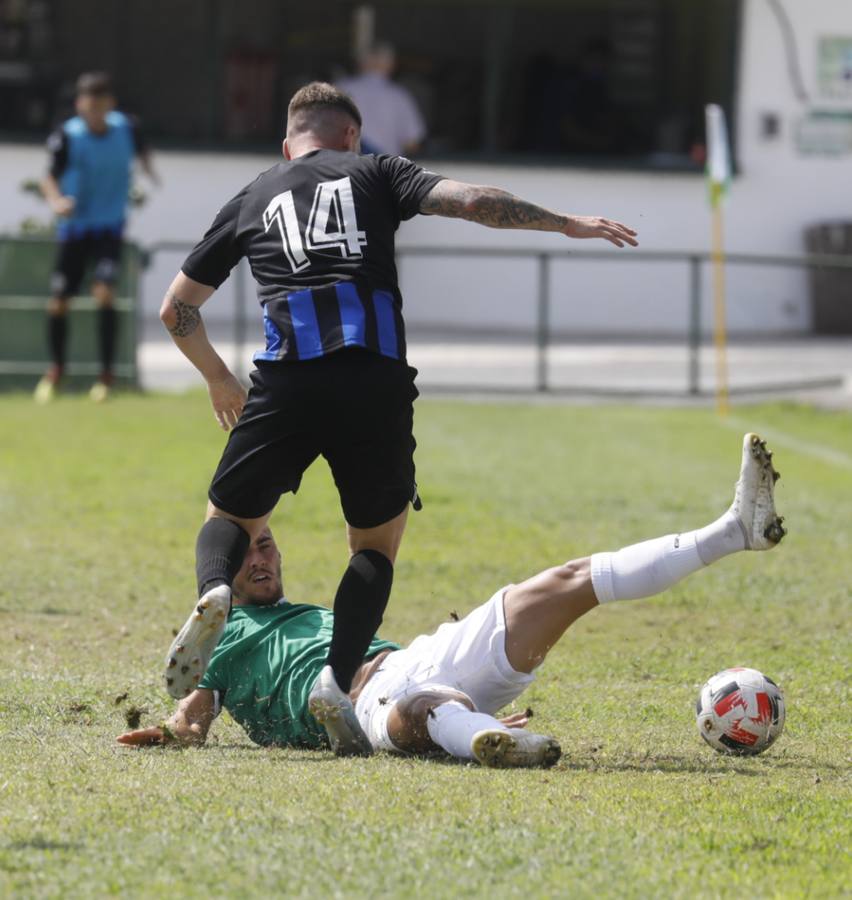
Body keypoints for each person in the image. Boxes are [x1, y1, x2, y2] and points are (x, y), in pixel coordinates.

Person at [159, 80, 638, 756]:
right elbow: (473, 202)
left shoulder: (254, 194)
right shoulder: (376, 170)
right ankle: (335, 678)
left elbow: (176, 309)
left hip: (286, 379)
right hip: (374, 379)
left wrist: (217, 377)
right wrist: (567, 223)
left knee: (229, 522)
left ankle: (215, 594)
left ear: (287, 142)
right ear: (351, 135)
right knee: (373, 549)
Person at [120, 433, 786, 766]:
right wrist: (169, 734)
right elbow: (192, 718)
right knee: (421, 709)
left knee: (563, 583)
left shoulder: (319, 612)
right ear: (224, 567)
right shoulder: (220, 640)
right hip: (362, 710)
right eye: (247, 549)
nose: (260, 555)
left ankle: (731, 531)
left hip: (414, 655)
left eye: (267, 544)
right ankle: (480, 735)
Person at [35, 71, 158, 404]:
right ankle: (56, 371)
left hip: (109, 227)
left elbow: (144, 152)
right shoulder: (68, 135)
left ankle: (106, 378)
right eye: (88, 109)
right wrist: (57, 201)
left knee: (105, 293)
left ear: (110, 105)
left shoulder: (127, 128)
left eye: (100, 108)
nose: (94, 115)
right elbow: (48, 177)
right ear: (79, 106)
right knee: (59, 300)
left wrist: (149, 177)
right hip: (74, 229)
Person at [337, 42, 426, 156]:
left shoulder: (339, 89)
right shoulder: (399, 95)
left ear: (360, 62)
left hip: (344, 168)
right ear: (390, 64)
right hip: (384, 169)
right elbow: (412, 143)